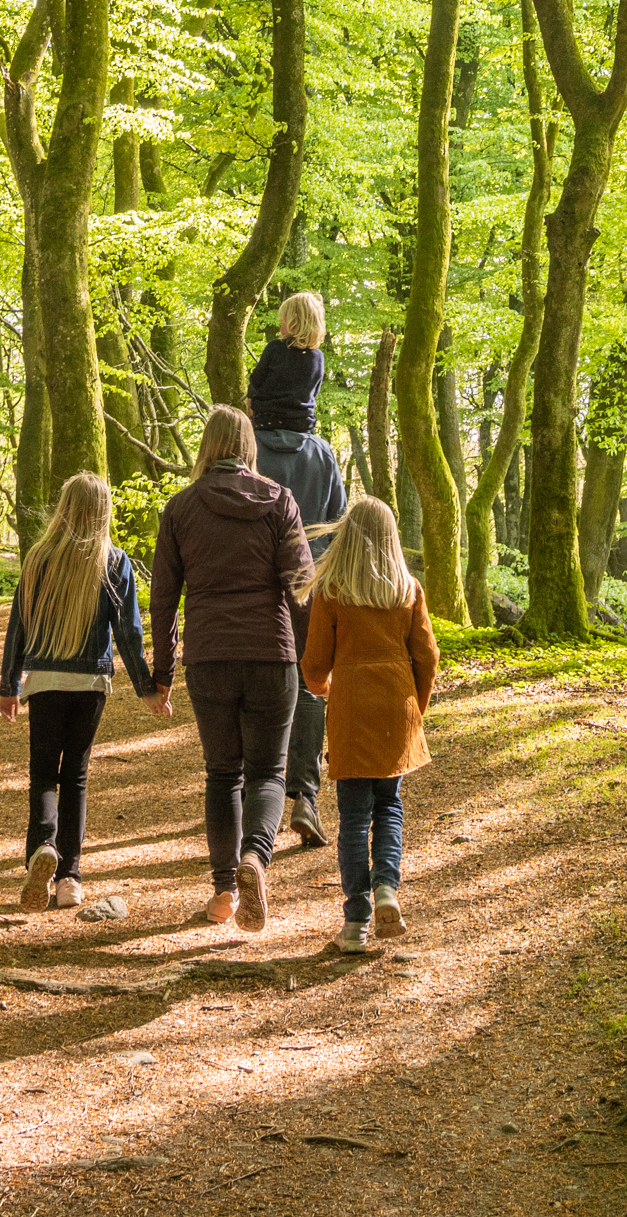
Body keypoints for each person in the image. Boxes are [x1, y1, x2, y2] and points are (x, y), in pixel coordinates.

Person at [146, 403, 309, 931]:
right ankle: (255, 858)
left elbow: (164, 599)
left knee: (222, 773)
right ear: (248, 447)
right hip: (271, 654)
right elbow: (301, 589)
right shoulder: (279, 501)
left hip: (210, 656)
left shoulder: (181, 507)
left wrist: (163, 673)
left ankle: (223, 893)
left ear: (207, 447)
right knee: (268, 772)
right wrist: (313, 662)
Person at [0, 472, 156, 911]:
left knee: (43, 774)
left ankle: (42, 850)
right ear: (103, 512)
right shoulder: (114, 561)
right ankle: (70, 878)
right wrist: (146, 687)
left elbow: (18, 626)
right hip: (90, 684)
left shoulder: (38, 558)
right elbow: (128, 632)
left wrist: (9, 686)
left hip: (45, 681)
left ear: (64, 508)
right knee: (76, 777)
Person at [299, 495, 438, 954]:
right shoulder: (408, 590)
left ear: (347, 537)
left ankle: (356, 921)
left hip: (352, 711)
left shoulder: (332, 591)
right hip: (396, 709)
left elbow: (314, 666)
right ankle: (387, 889)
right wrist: (415, 708)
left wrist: (324, 688)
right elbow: (427, 657)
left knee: (354, 817)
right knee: (389, 806)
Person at [247, 291, 346, 849]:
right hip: (307, 586)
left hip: (255, 586)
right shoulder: (322, 456)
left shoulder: (247, 454)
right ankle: (305, 793)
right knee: (311, 682)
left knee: (260, 679)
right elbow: (336, 527)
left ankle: (256, 792)